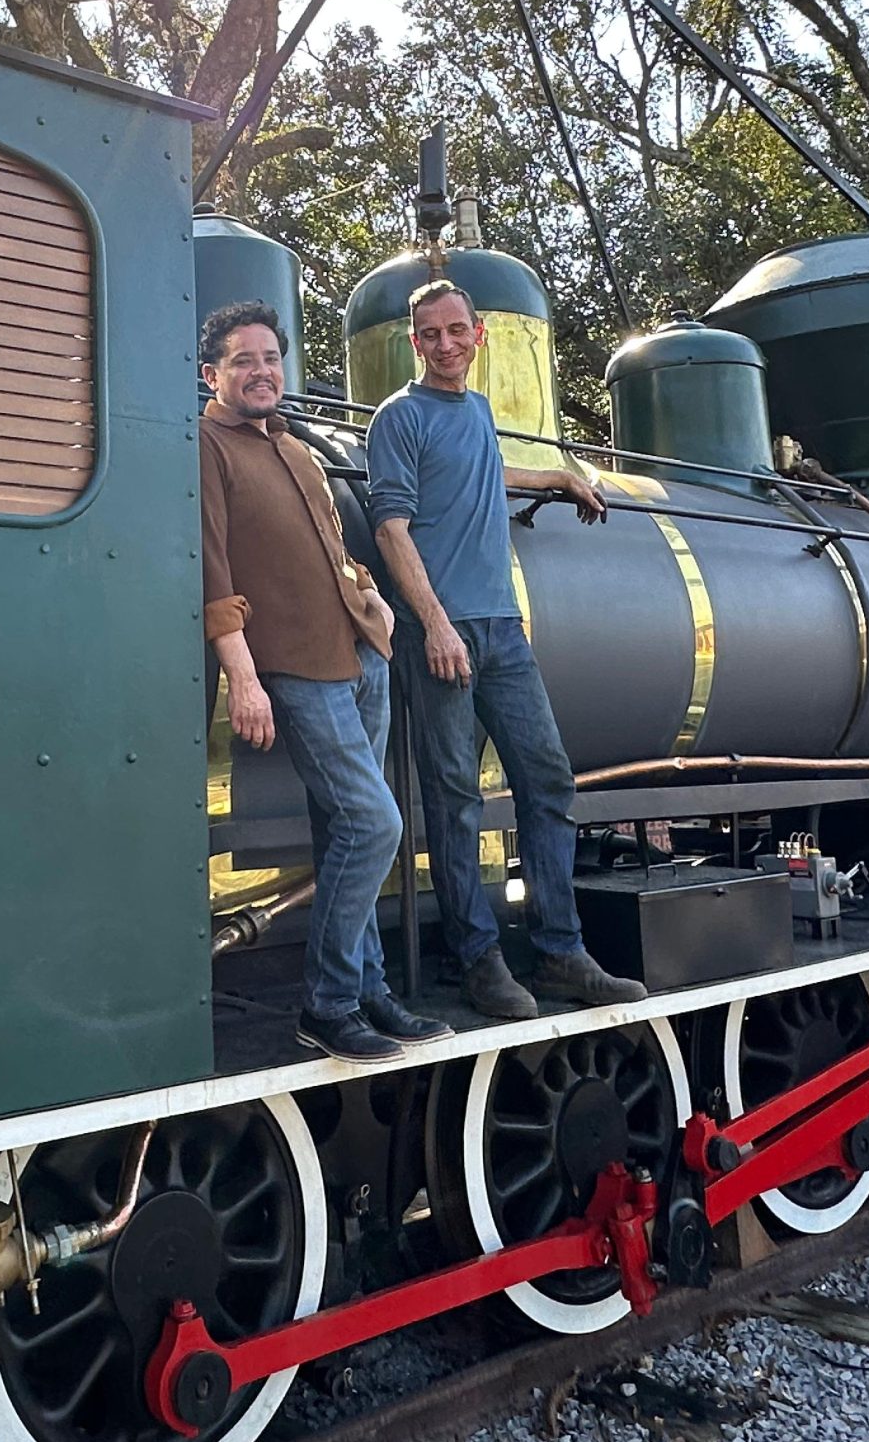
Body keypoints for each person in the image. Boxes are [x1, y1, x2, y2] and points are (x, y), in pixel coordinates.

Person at [366, 279, 645, 1020]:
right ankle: (480, 962)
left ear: (478, 334)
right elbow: (392, 528)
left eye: (459, 330)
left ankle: (559, 952)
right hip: (445, 635)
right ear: (415, 341)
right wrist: (435, 625)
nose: (447, 343)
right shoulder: (399, 418)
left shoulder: (478, 413)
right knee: (455, 802)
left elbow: (485, 469)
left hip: (504, 630)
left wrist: (556, 475)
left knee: (547, 779)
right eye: (432, 333)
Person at [200, 303, 452, 1064]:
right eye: (243, 360)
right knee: (375, 824)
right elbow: (212, 573)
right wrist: (243, 677)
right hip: (293, 667)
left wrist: (367, 593)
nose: (261, 371)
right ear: (211, 374)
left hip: (359, 653)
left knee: (349, 831)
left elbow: (328, 545)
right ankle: (329, 1003)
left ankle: (369, 988)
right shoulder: (206, 447)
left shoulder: (297, 447)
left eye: (271, 357)